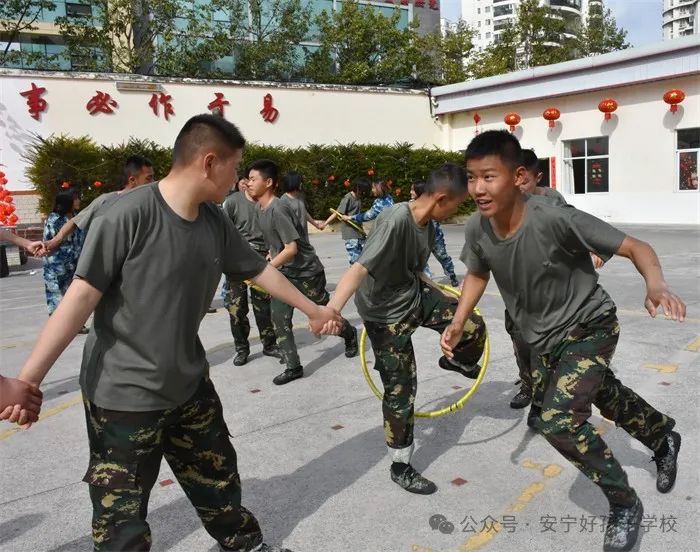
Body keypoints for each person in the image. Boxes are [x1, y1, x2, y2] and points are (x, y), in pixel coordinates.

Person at [2, 114, 343, 552]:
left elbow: (257, 270)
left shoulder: (214, 220)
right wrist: (27, 381)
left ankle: (245, 545)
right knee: (121, 519)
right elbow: (80, 298)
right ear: (209, 162)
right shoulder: (127, 215)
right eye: (235, 167)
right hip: (123, 397)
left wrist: (314, 310)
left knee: (219, 480)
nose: (239, 179)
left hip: (188, 385)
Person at [441, 130, 684, 552]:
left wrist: (656, 284)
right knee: (603, 394)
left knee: (558, 420)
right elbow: (478, 272)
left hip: (590, 326)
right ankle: (662, 436)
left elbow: (636, 247)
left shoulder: (554, 217)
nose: (478, 188)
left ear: (518, 177)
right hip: (543, 338)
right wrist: (460, 320)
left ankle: (624, 503)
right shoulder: (478, 228)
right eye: (472, 177)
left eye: (489, 177)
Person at [321, 163, 486, 495]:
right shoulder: (396, 219)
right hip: (384, 315)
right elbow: (359, 268)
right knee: (401, 390)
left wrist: (440, 294)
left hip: (412, 294)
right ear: (441, 199)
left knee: (471, 323)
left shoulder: (427, 225)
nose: (457, 211)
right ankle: (400, 465)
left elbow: (416, 268)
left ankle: (457, 360)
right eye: (458, 204)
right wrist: (331, 310)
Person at [246, 159, 359, 386]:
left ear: (268, 183)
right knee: (279, 317)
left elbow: (292, 249)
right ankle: (293, 366)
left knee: (325, 315)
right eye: (248, 179)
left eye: (252, 179)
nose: (247, 183)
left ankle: (349, 334)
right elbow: (277, 244)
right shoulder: (259, 209)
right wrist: (271, 256)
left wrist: (267, 269)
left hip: (306, 272)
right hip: (284, 273)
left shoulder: (278, 208)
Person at [507, 149, 604, 410]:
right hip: (518, 288)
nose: (518, 186)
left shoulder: (553, 199)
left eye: (524, 180)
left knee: (546, 346)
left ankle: (543, 397)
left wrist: (595, 248)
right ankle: (527, 386)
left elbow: (575, 225)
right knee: (521, 342)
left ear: (537, 177)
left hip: (549, 289)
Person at [222, 173, 280, 366]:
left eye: (256, 179)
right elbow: (222, 231)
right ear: (245, 181)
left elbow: (277, 231)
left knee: (263, 307)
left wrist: (273, 251)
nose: (252, 183)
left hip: (262, 261)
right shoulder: (232, 202)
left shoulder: (269, 203)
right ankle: (242, 349)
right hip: (237, 262)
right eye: (251, 179)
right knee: (236, 309)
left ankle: (269, 344)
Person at [44, 155, 154, 252]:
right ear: (132, 180)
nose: (153, 182)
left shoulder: (152, 203)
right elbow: (75, 221)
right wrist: (54, 241)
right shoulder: (106, 200)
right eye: (148, 178)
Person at [42, 189, 88, 333]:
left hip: (75, 263)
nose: (78, 201)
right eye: (76, 198)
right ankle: (58, 329)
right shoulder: (54, 220)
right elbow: (49, 243)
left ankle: (76, 325)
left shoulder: (77, 217)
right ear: (67, 202)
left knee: (74, 296)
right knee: (57, 296)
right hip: (57, 266)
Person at [410, 180, 460, 287]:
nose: (411, 192)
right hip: (421, 238)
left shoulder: (431, 204)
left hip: (436, 237)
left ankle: (452, 275)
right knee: (421, 260)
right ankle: (426, 282)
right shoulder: (411, 204)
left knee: (442, 256)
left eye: (413, 190)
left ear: (419, 191)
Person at [320, 177, 371, 264]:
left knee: (363, 258)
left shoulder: (359, 197)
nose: (364, 192)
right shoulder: (347, 198)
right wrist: (325, 224)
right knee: (354, 260)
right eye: (363, 189)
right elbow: (337, 213)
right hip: (350, 232)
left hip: (359, 231)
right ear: (358, 188)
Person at [279, 172, 324, 239]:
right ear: (293, 182)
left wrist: (316, 225)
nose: (301, 183)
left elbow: (304, 212)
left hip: (304, 236)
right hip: (293, 238)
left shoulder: (300, 196)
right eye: (299, 181)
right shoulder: (283, 200)